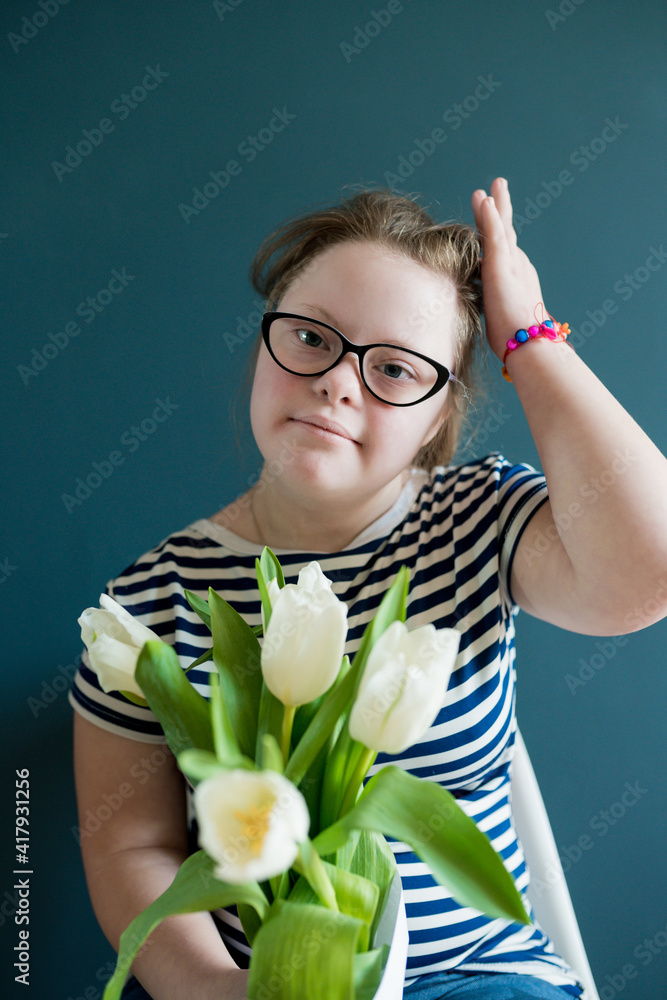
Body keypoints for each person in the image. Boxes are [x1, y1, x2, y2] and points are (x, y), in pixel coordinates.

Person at [70, 177, 667, 1000]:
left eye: (394, 368)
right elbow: (130, 850)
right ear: (264, 344)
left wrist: (529, 337)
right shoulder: (149, 604)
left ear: (438, 416)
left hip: (473, 981)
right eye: (311, 339)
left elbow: (649, 573)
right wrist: (220, 991)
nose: (338, 382)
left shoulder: (475, 518)